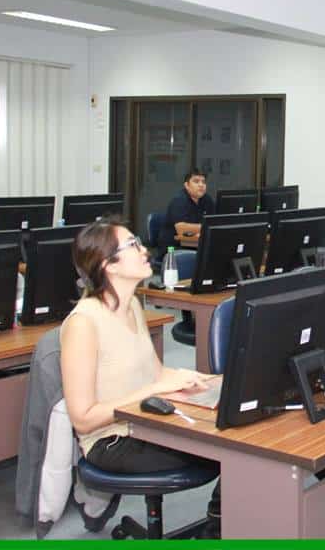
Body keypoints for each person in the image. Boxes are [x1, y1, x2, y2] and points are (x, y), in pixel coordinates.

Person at [60, 219, 220, 523]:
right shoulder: (83, 323)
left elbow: (156, 373)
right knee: (230, 448)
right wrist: (153, 390)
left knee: (237, 432)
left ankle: (219, 518)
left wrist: (208, 381)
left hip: (145, 422)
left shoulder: (131, 304)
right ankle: (219, 520)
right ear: (108, 264)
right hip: (112, 441)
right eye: (132, 245)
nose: (144, 250)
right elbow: (83, 418)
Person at [157, 169, 215, 254]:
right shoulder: (179, 201)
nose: (201, 185)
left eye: (203, 182)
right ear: (187, 185)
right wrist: (207, 228)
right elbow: (181, 229)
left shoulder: (207, 200)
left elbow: (214, 222)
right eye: (196, 181)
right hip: (172, 248)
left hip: (194, 244)